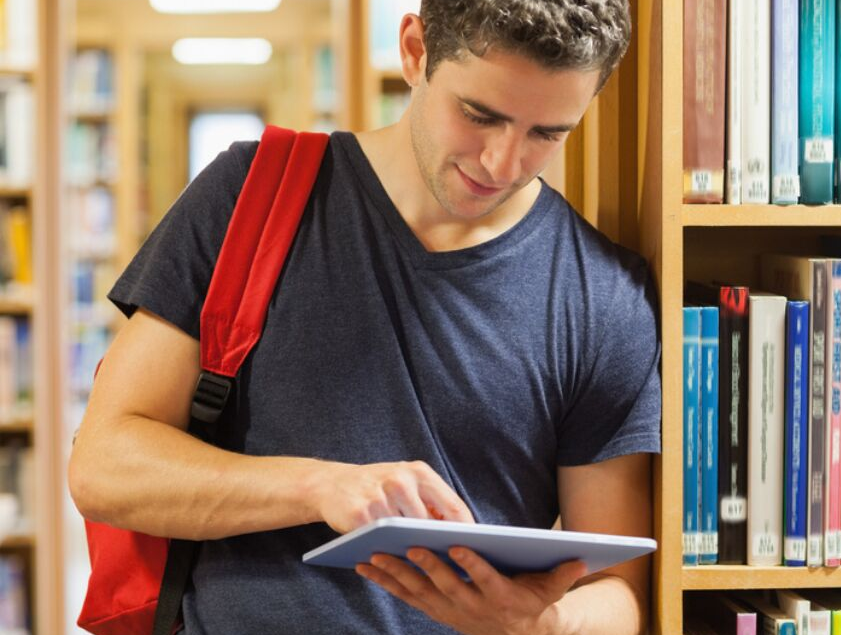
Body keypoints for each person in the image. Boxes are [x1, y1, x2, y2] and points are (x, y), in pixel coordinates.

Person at [67, 0, 661, 633]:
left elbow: (619, 590)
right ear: (414, 51)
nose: (502, 163)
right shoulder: (250, 196)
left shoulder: (606, 294)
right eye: (479, 115)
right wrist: (319, 488)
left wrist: (543, 626)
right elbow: (103, 467)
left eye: (548, 134)